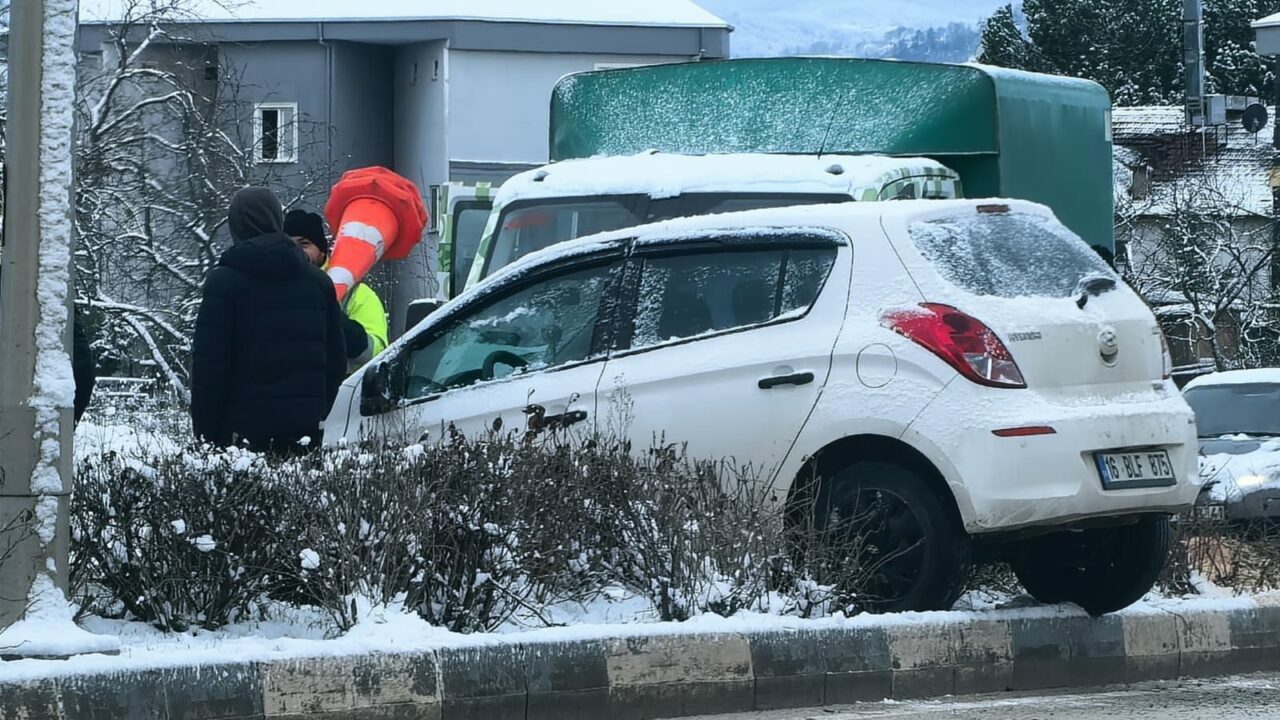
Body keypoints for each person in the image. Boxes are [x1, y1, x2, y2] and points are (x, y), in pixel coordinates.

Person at [190, 187, 346, 452]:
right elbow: (335, 362)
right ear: (277, 219)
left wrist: (206, 435)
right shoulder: (319, 283)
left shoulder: (224, 282)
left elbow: (209, 368)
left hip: (239, 436)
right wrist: (317, 411)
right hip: (303, 433)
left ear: (236, 225)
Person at [284, 208, 389, 374]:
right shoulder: (273, 288)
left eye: (304, 244)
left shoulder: (358, 294)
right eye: (289, 245)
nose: (296, 252)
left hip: (340, 393)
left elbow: (377, 354)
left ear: (322, 251)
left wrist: (336, 321)